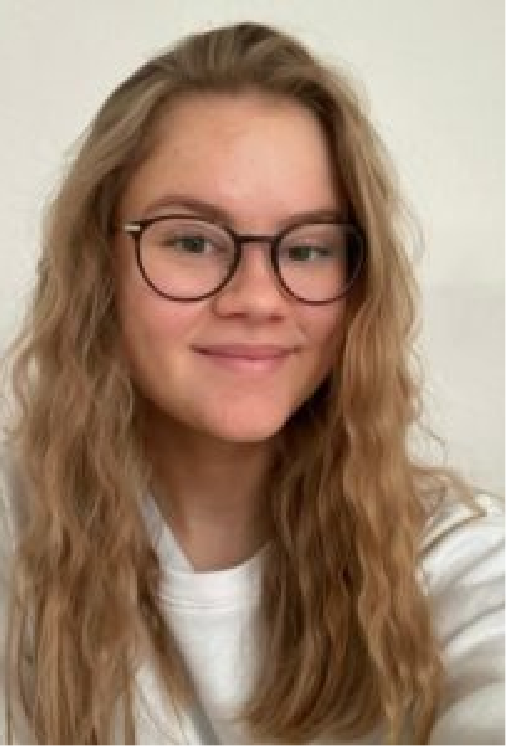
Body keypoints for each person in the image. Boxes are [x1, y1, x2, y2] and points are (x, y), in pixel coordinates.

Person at [0, 20, 505, 746]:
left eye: (308, 249)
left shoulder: (454, 561)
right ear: (98, 266)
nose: (259, 298)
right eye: (193, 241)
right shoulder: (17, 532)